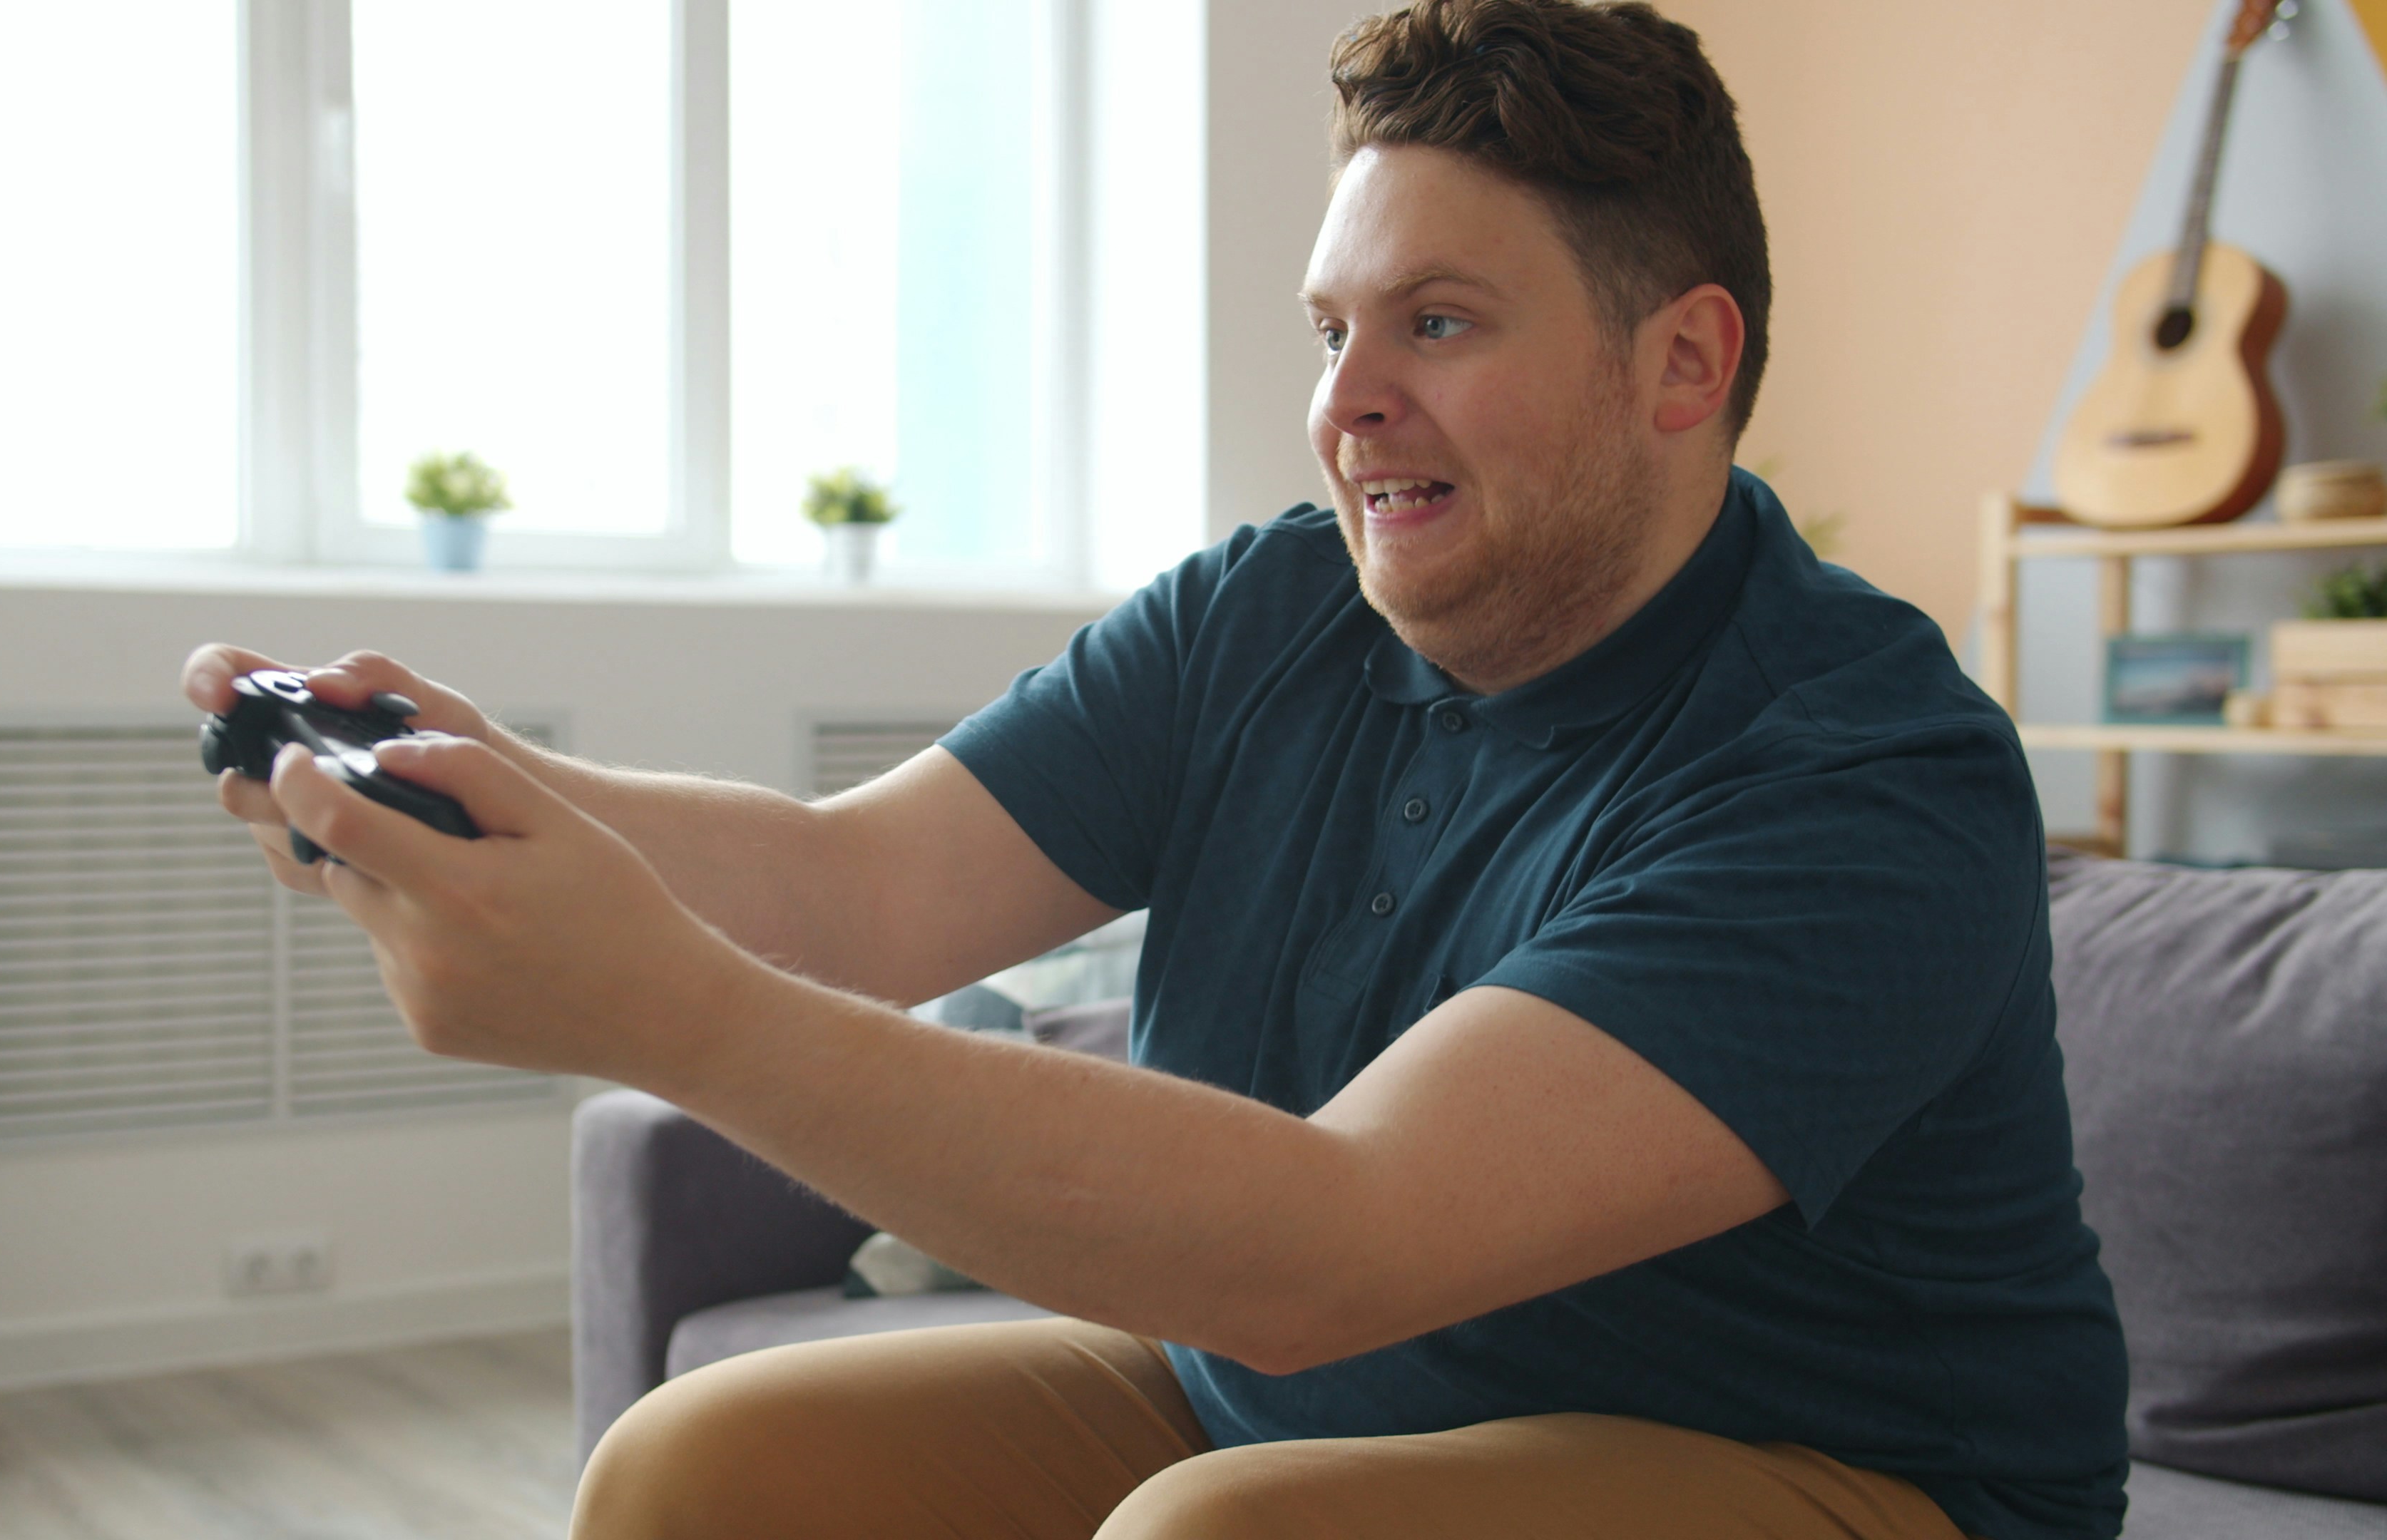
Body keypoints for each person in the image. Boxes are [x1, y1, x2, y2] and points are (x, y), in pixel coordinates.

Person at [182, 2, 2127, 1535]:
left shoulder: (1858, 773)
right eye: (1334, 330)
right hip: (1296, 1406)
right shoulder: (1265, 613)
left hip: (1837, 1478)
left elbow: (1337, 1242)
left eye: (1439, 324)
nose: (1349, 403)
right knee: (706, 1466)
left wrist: (660, 1006)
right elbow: (857, 891)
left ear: (1683, 364)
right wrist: (461, 780)